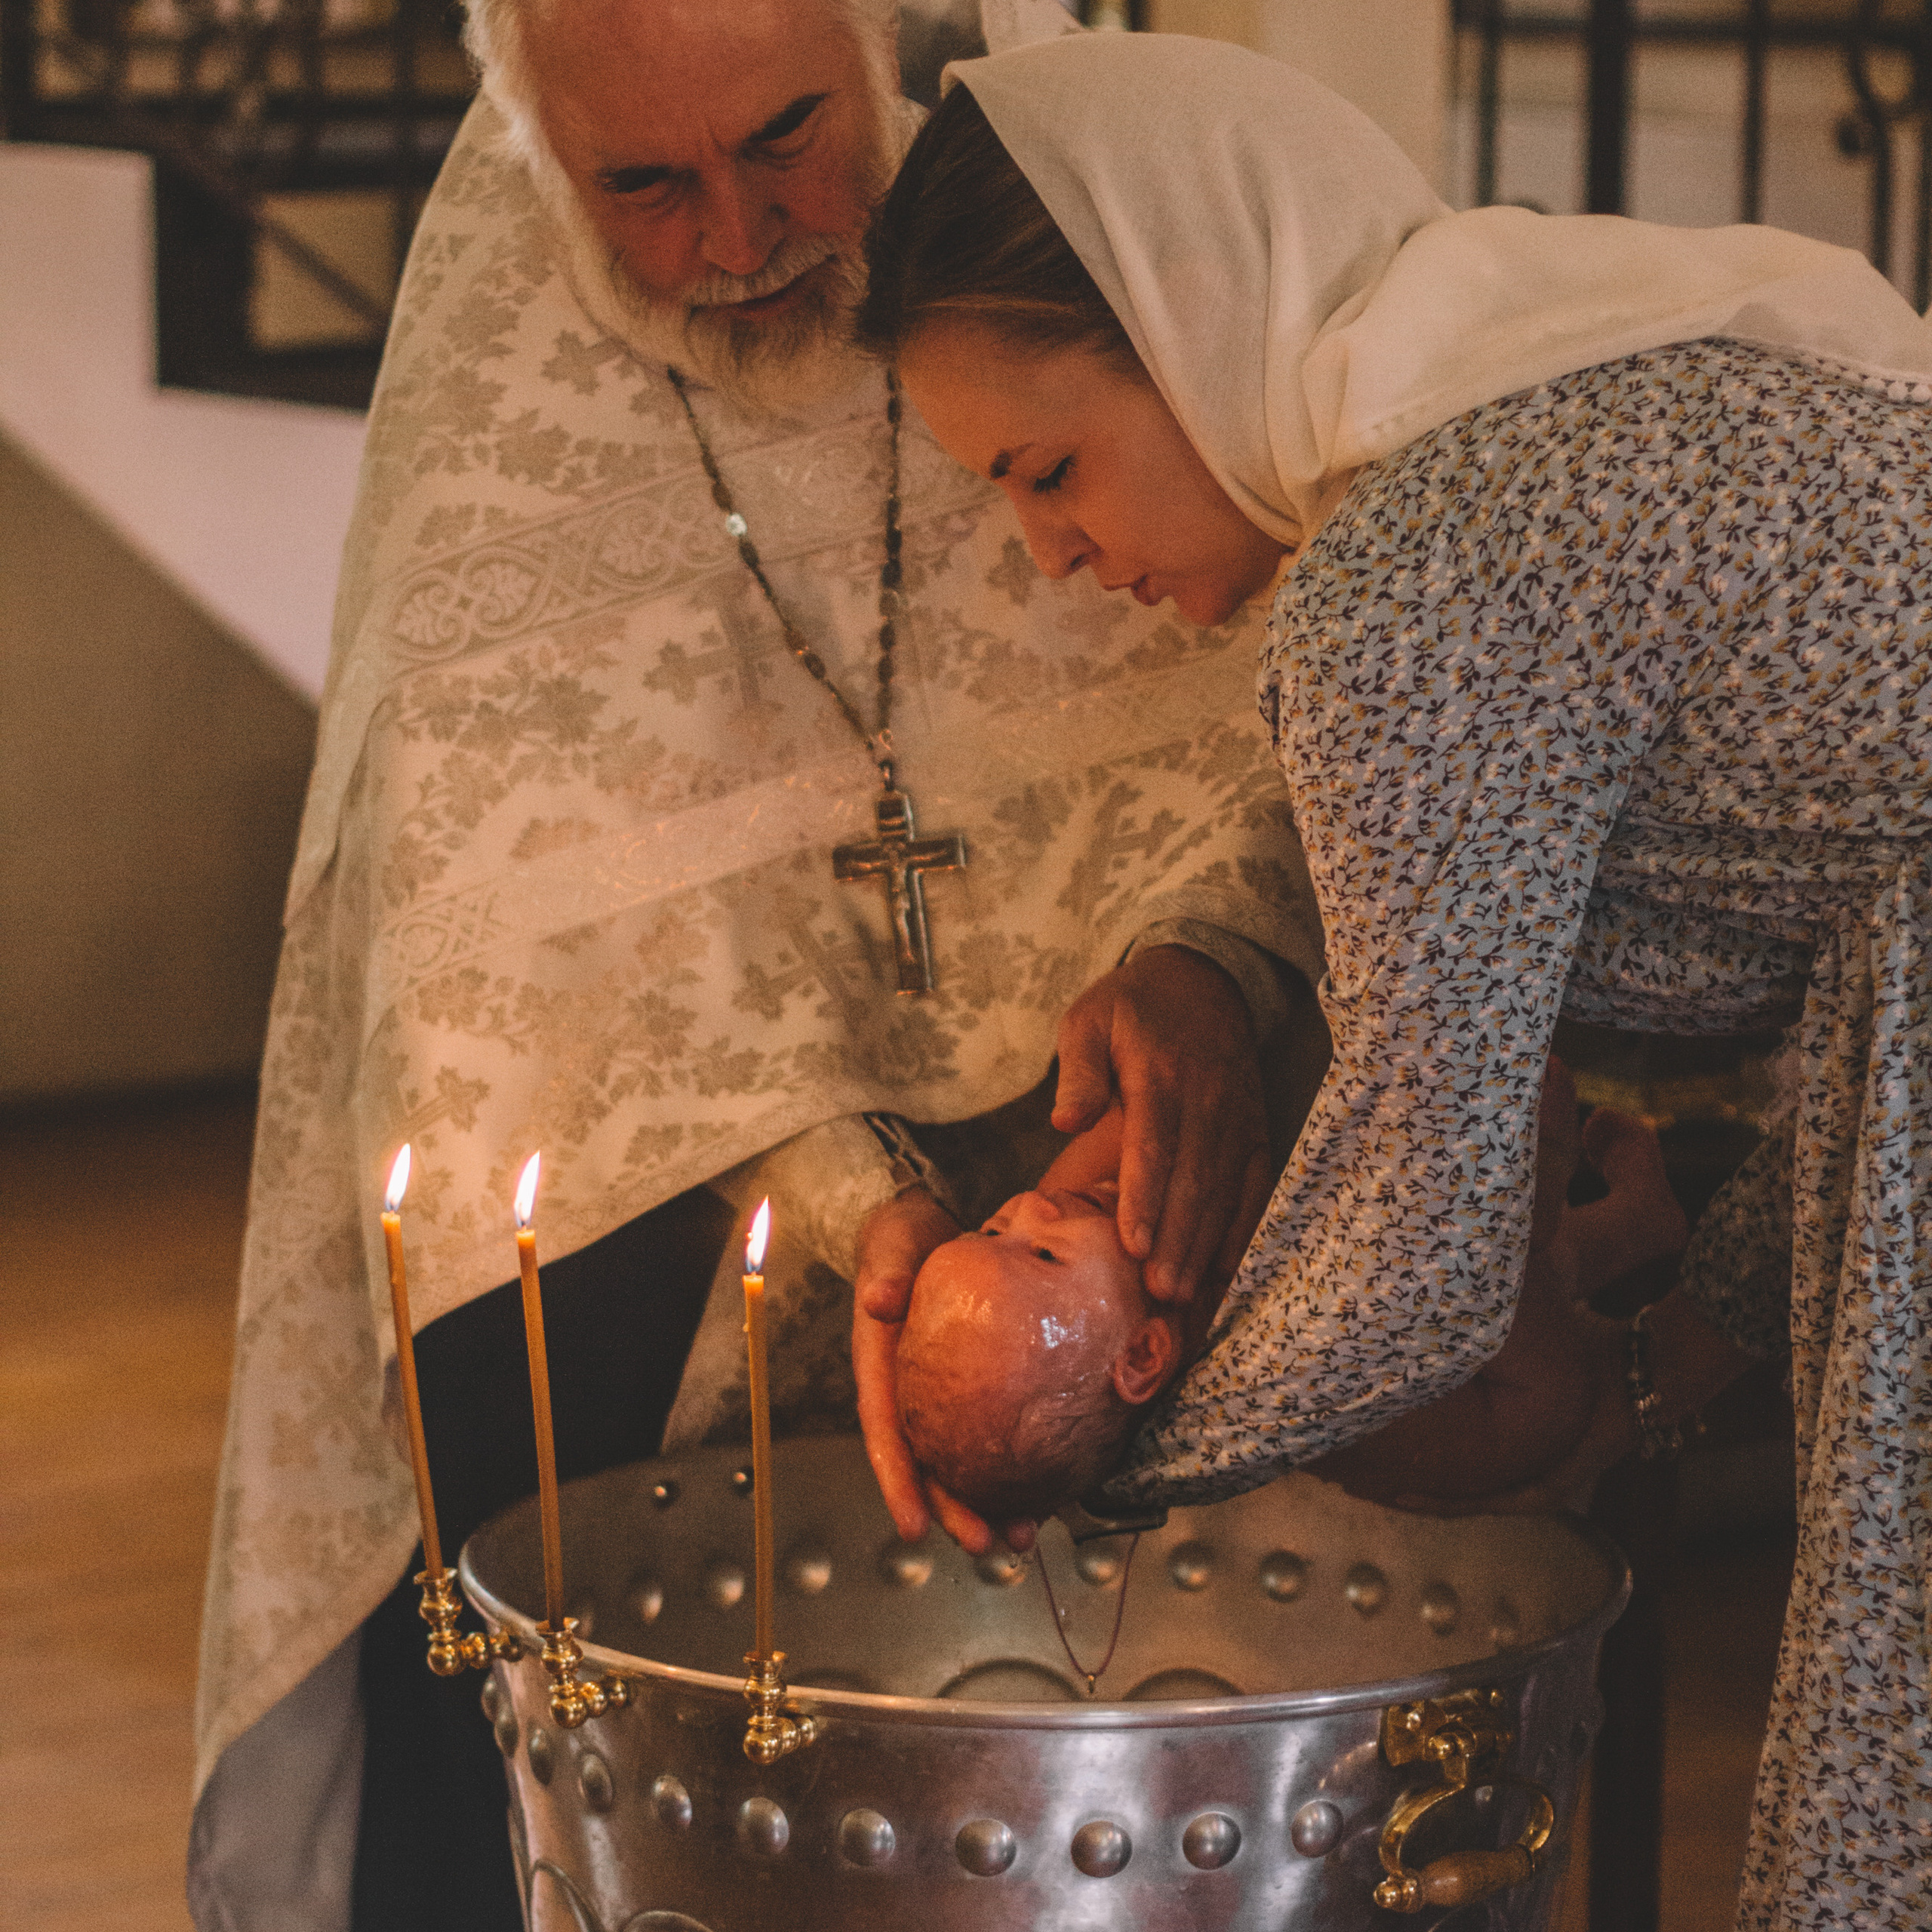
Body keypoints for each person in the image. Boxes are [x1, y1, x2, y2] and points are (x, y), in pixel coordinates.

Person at [186, 6, 1330, 1930]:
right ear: (536, 149)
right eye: (641, 184)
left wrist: (1214, 953)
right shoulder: (502, 387)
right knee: (502, 1374)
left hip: (1072, 1091)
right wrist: (835, 1182)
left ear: (878, 42)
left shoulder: (1048, 243)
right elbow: (504, 936)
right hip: (677, 1181)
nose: (736, 237)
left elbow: (1277, 704)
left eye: (788, 137)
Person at [854, 30, 1932, 1930]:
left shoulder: (1403, 579)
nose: (1048, 551)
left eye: (1047, 467)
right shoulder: (1533, 394)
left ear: (1186, 313)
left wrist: (1103, 1444)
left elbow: (1422, 1238)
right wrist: (1676, 1341)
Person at [897, 1057, 1688, 1520]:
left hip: (1420, 1310)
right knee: (1494, 1269)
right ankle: (1618, 1233)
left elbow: (1149, 1107)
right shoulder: (1265, 1376)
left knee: (1480, 1256)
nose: (1030, 1208)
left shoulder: (1086, 1207)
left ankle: (1629, 1228)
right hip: (1505, 1405)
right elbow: (1434, 1292)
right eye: (1040, 1255)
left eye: (991, 1229)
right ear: (1142, 1355)